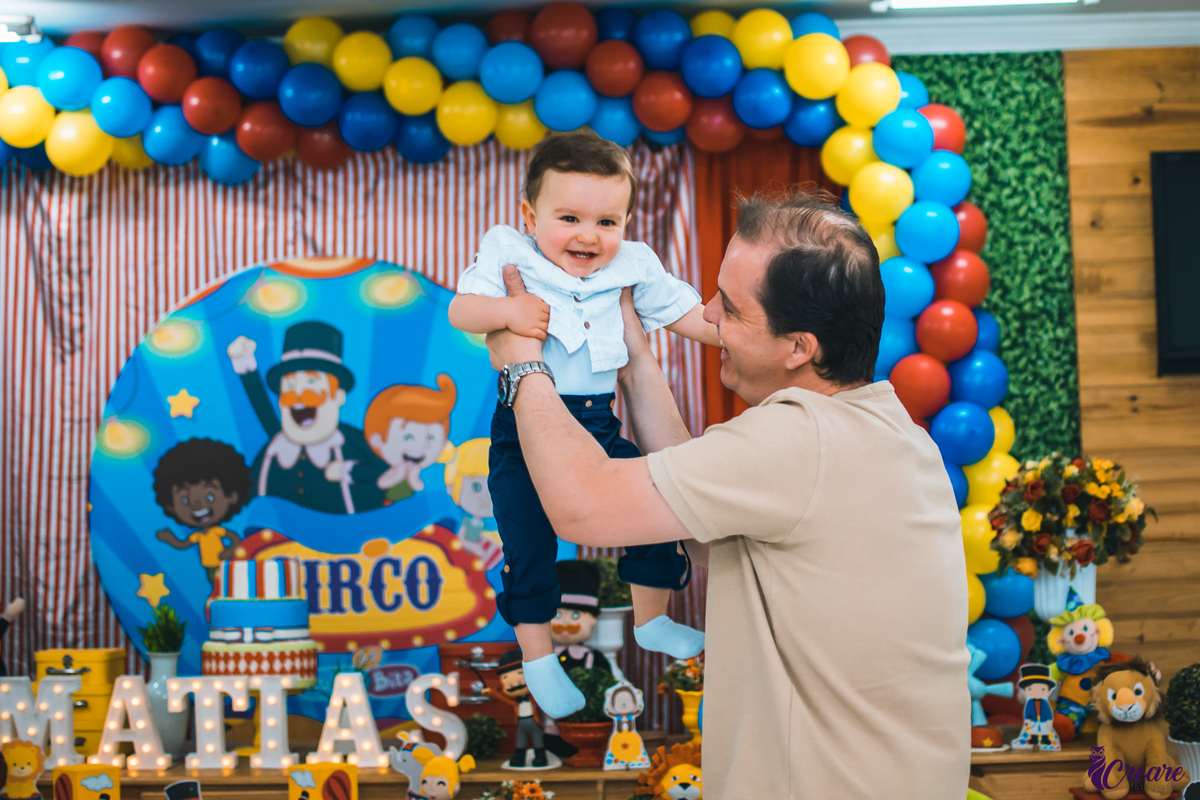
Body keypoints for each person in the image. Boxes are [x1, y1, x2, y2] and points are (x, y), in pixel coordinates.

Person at [485, 189, 971, 797]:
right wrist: (633, 354)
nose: (708, 314)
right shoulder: (885, 430)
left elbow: (584, 504)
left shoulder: (797, 438)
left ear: (800, 347)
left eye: (733, 309)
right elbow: (691, 504)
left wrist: (522, 366)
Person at [448, 131, 721, 718]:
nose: (588, 236)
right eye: (569, 217)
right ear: (531, 214)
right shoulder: (509, 251)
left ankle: (651, 620)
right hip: (523, 429)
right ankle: (539, 658)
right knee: (528, 543)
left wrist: (737, 335)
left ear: (626, 221)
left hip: (599, 423)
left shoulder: (633, 264)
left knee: (657, 500)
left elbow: (685, 312)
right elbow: (461, 310)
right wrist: (508, 312)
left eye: (607, 221)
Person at [153, 438, 251, 582]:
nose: (196, 505)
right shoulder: (199, 536)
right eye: (184, 500)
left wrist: (229, 551)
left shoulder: (217, 531)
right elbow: (183, 544)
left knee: (227, 583)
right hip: (208, 567)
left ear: (231, 495)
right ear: (171, 507)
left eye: (210, 497)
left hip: (223, 564)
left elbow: (235, 539)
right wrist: (170, 539)